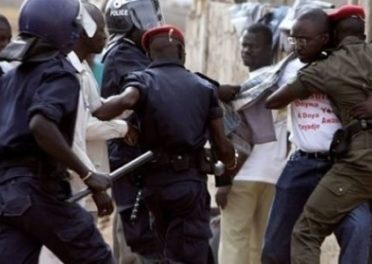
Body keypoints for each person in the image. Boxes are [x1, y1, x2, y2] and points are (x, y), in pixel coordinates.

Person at [266, 4, 372, 263]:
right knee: (362, 238)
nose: (299, 44)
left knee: (307, 232)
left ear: (331, 37)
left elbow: (273, 101)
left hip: (355, 163)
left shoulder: (324, 68)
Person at [94, 24, 236, 263]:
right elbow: (221, 145)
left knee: (166, 250)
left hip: (153, 187)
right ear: (182, 52)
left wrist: (95, 112)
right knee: (190, 252)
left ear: (149, 55)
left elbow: (124, 100)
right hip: (189, 186)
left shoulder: (141, 81)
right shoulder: (203, 87)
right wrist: (230, 161)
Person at [0, 0, 114, 263]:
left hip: (7, 195)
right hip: (38, 189)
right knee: (96, 256)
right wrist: (89, 176)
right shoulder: (60, 73)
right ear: (63, 28)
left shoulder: (10, 78)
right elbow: (41, 125)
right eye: (76, 26)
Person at [216, 23, 289, 264]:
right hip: (273, 175)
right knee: (260, 246)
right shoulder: (282, 84)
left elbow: (246, 137)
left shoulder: (253, 87)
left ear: (270, 49)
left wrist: (225, 180)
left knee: (235, 242)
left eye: (253, 46)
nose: (246, 50)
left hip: (244, 175)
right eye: (244, 45)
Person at [101, 0, 163, 261]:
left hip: (128, 155)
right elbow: (150, 98)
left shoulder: (122, 50)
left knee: (131, 230)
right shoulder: (125, 54)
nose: (152, 26)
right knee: (141, 236)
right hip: (131, 155)